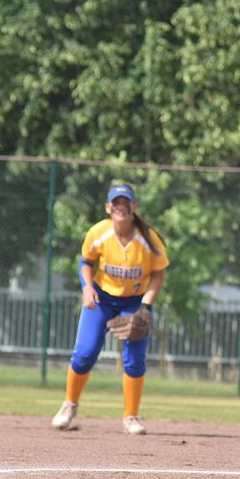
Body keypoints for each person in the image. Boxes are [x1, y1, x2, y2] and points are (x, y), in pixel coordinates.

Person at [51, 183, 169, 435]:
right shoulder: (98, 232)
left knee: (135, 360)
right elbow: (86, 263)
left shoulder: (149, 238)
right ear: (108, 207)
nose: (121, 207)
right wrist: (86, 288)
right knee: (84, 353)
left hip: (135, 302)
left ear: (135, 207)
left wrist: (146, 305)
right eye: (116, 203)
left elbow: (158, 275)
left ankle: (131, 417)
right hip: (102, 299)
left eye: (126, 202)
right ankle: (69, 405)